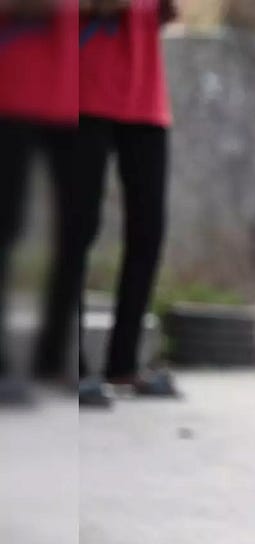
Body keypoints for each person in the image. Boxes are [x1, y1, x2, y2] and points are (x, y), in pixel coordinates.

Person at [43, 0, 180, 408]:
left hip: (144, 93)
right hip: (84, 88)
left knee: (148, 229)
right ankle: (72, 364)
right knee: (78, 227)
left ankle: (123, 362)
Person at [0, 0, 77, 405]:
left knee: (76, 231)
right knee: (4, 228)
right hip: (10, 89)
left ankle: (51, 357)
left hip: (66, 95)